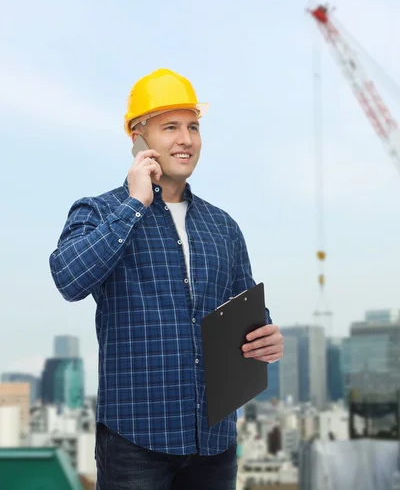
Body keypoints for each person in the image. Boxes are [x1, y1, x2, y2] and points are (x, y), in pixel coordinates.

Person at [49, 68, 283, 489]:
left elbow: (246, 311)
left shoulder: (223, 227)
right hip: (135, 442)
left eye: (192, 127)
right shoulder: (99, 213)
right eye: (170, 127)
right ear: (138, 137)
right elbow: (69, 278)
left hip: (213, 442)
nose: (186, 139)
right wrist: (135, 203)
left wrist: (267, 337)